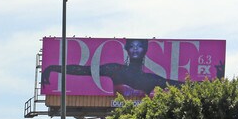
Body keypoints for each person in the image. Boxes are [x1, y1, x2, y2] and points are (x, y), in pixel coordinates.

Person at [42, 39, 225, 98]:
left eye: (140, 46)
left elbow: (181, 85)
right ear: (127, 49)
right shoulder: (115, 69)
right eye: (132, 46)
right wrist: (51, 68)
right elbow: (82, 70)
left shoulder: (152, 80)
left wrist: (217, 80)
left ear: (145, 50)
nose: (136, 48)